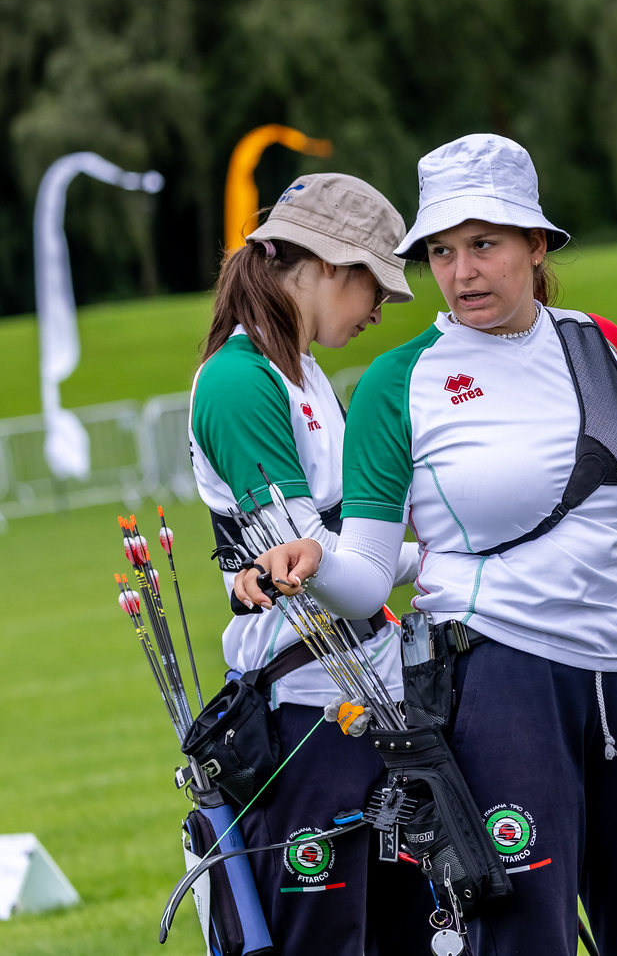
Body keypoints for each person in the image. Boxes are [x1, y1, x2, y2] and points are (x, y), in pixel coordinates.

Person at [236, 134, 617, 956]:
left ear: (536, 243)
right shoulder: (396, 382)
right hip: (496, 682)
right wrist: (316, 567)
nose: (461, 272)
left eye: (483, 244)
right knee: (524, 935)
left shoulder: (600, 344)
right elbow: (371, 571)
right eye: (441, 252)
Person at [188, 172, 429, 954]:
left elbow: (350, 544)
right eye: (374, 288)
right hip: (306, 712)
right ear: (328, 265)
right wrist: (450, 553)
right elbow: (307, 567)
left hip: (365, 691)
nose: (379, 311)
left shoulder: (302, 369)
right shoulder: (238, 379)